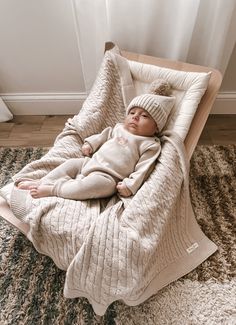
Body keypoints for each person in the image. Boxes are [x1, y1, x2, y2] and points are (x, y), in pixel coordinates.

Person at [16, 83, 175, 200]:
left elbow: (144, 169)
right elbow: (103, 136)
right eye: (132, 112)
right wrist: (90, 144)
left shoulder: (150, 144)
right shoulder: (119, 128)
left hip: (108, 178)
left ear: (156, 127)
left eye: (144, 116)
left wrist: (129, 185)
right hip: (89, 163)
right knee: (70, 164)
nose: (135, 117)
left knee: (86, 187)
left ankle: (53, 190)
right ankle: (42, 181)